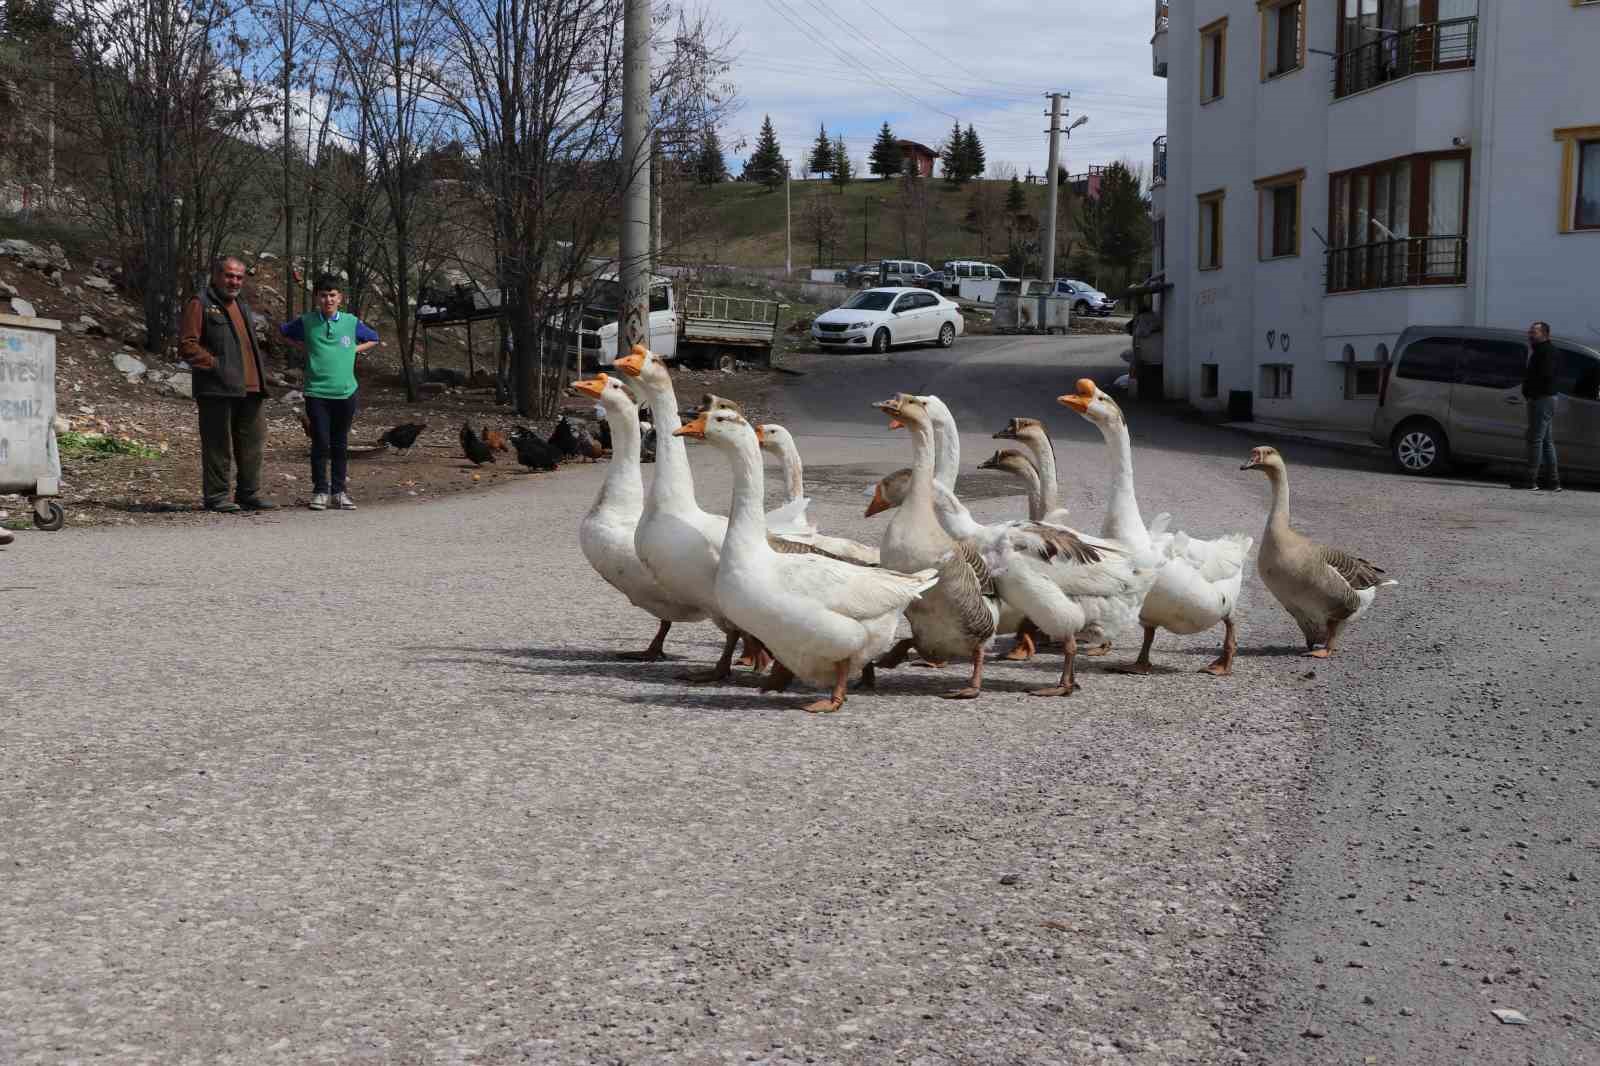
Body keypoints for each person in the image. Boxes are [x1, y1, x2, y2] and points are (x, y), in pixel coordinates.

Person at [179, 256, 277, 512]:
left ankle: (249, 494)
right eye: (229, 275)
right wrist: (216, 365)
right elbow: (188, 345)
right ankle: (217, 497)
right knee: (218, 445)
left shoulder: (241, 304)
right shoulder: (200, 303)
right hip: (216, 388)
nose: (234, 281)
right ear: (216, 276)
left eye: (239, 277)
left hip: (251, 388)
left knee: (253, 444)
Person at [279, 275, 379, 510]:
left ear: (340, 298)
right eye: (323, 295)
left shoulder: (351, 322)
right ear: (317, 298)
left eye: (332, 295)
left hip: (345, 392)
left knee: (340, 443)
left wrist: (353, 349)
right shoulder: (307, 321)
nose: (328, 300)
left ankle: (339, 492)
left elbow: (374, 338)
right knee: (321, 442)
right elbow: (284, 332)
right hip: (317, 392)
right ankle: (320, 491)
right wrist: (305, 346)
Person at [1518, 320, 1560, 492]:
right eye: (1530, 331)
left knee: (1535, 440)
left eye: (1534, 332)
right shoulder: (1542, 351)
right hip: (1545, 398)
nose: (1530, 335)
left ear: (1545, 334)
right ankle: (1553, 481)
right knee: (1546, 441)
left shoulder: (1546, 352)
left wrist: (1531, 393)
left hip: (1542, 399)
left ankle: (1531, 480)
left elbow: (1545, 376)